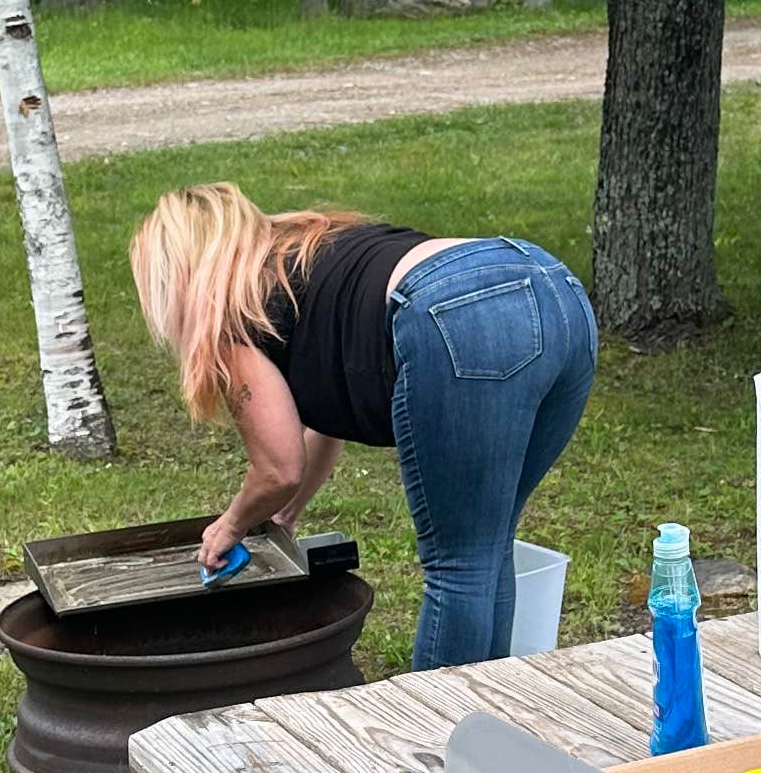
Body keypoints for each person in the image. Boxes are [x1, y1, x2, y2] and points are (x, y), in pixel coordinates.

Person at [130, 186, 597, 670]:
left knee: (459, 565)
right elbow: (324, 421)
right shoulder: (313, 251)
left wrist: (231, 526)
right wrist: (284, 517)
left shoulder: (232, 314)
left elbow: (278, 468)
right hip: (555, 291)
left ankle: (440, 734)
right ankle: (483, 716)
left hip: (460, 310)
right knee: (485, 548)